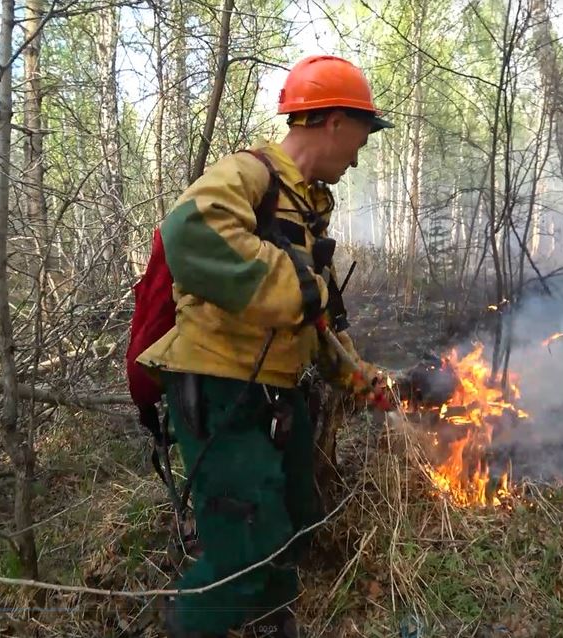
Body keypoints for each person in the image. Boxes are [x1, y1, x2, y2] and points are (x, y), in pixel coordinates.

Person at [136, 54, 394, 638]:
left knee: (293, 516)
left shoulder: (305, 204)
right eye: (360, 135)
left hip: (272, 393)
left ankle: (277, 622)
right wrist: (299, 286)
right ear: (332, 122)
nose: (358, 155)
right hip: (219, 388)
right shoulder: (249, 174)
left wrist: (358, 379)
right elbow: (190, 230)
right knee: (242, 548)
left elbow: (312, 320)